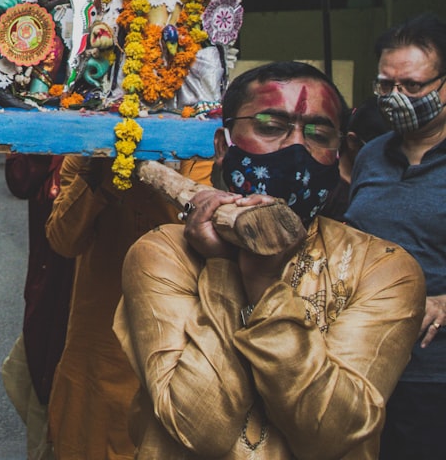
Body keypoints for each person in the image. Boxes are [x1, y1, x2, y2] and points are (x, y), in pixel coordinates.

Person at [116, 60, 426, 459]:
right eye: (269, 127)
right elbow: (198, 430)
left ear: (340, 157)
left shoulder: (384, 268)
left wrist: (263, 284)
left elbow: (331, 436)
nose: (295, 148)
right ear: (223, 146)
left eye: (317, 133)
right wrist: (225, 268)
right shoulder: (163, 253)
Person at [46, 153, 209, 460]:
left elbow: (201, 238)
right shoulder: (87, 156)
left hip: (173, 341)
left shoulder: (196, 153)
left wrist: (156, 177)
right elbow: (62, 241)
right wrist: (98, 177)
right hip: (99, 347)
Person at [346, 15, 446, 459]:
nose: (395, 98)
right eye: (385, 86)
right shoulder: (372, 155)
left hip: (433, 377)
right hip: (362, 366)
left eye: (412, 86)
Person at [2, 155, 76, 460]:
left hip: (91, 281)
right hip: (49, 278)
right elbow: (20, 178)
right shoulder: (52, 143)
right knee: (30, 373)